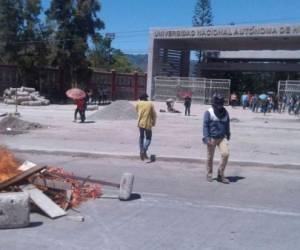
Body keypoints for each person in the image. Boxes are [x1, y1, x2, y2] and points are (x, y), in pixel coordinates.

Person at [203, 94, 230, 184]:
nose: (219, 105)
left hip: (222, 138)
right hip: (211, 138)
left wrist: (228, 133)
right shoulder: (209, 112)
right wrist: (207, 138)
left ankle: (220, 174)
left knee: (225, 154)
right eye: (218, 103)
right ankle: (209, 174)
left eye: (221, 103)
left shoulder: (225, 112)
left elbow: (227, 124)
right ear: (214, 103)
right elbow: (205, 126)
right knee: (210, 157)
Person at [136, 93, 157, 160]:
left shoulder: (138, 103)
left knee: (141, 137)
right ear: (146, 98)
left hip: (140, 123)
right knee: (148, 138)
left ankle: (141, 151)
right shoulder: (150, 104)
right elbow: (154, 114)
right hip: (148, 124)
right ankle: (144, 150)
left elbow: (137, 111)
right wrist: (153, 122)